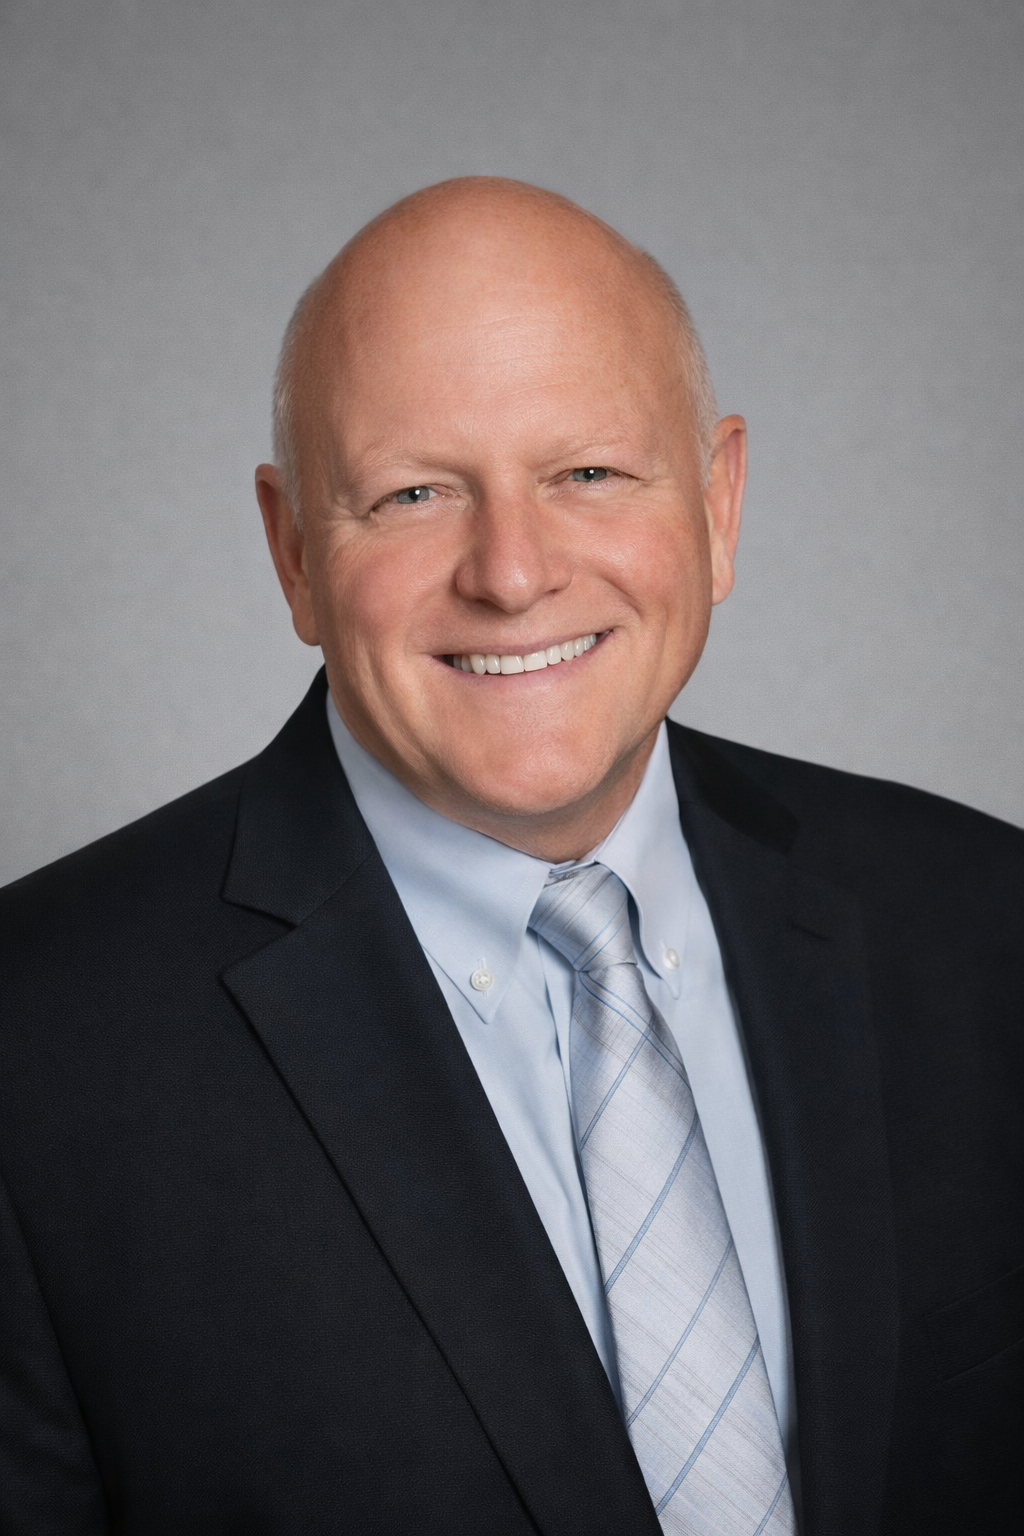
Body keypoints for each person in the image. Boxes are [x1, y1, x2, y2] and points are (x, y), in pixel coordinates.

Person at [0, 177, 1020, 1535]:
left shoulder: (985, 928)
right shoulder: (36, 1046)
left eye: (588, 473)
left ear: (718, 506)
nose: (512, 570)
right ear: (293, 549)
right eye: (413, 493)